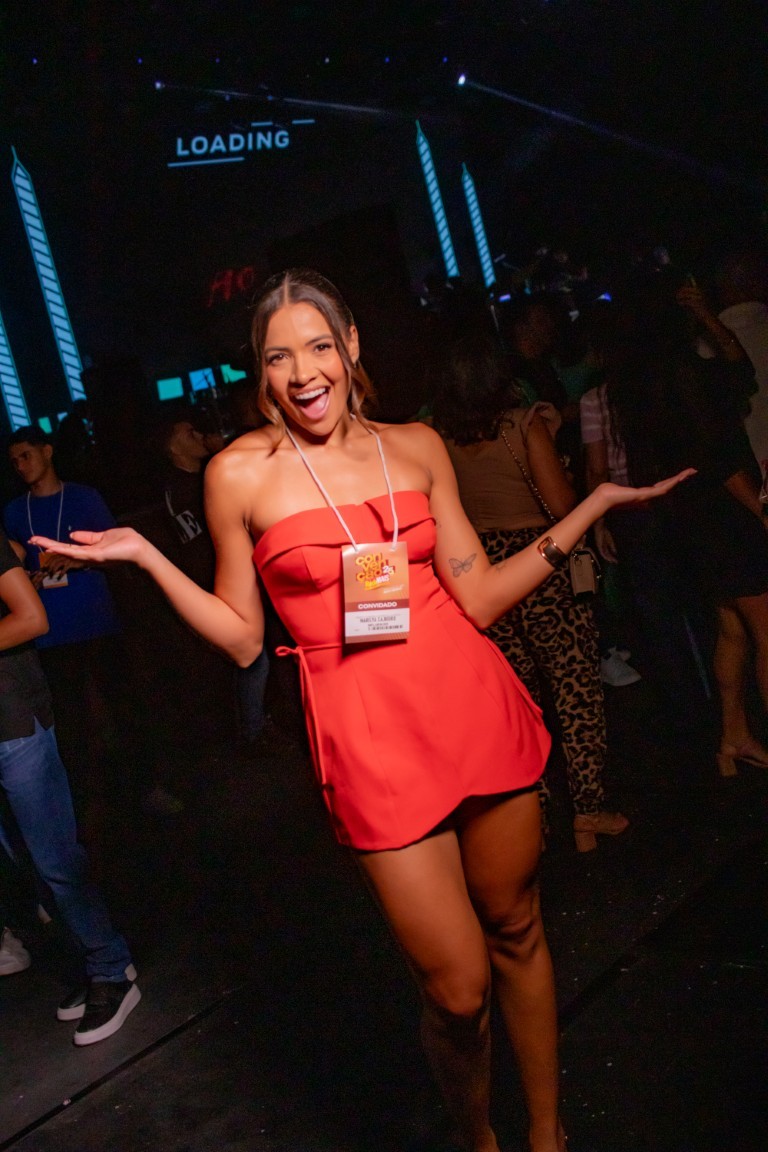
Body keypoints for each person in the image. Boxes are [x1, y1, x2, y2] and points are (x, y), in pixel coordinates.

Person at [31, 268, 692, 1152]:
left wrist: (588, 510)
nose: (303, 372)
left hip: (472, 705)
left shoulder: (415, 446)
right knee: (457, 991)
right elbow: (241, 639)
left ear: (349, 347)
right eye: (279, 356)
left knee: (519, 929)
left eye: (318, 346)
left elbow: (480, 596)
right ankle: (477, 1136)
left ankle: (545, 1133)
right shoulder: (239, 473)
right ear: (261, 373)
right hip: (370, 739)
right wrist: (147, 558)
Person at [432, 334, 628, 852]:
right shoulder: (522, 425)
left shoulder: (436, 441)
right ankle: (588, 811)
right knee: (575, 690)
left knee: (517, 702)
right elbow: (562, 506)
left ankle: (532, 819)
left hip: (481, 570)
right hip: (540, 564)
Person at [0, 527, 140, 1044]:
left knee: (54, 858)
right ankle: (93, 959)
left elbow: (31, 617)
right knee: (22, 860)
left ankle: (111, 969)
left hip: (13, 723)